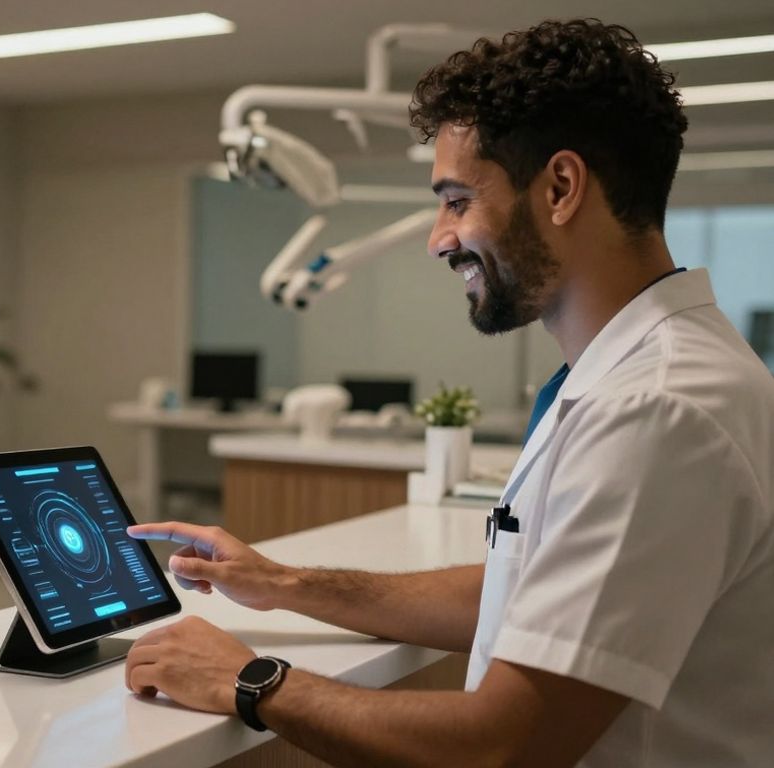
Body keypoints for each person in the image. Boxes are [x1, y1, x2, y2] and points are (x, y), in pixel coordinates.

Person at [124, 18, 774, 767]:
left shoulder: (655, 410)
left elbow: (504, 745)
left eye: (458, 200)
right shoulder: (643, 377)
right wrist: (283, 582)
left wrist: (247, 680)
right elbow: (516, 591)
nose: (438, 237)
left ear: (561, 188)